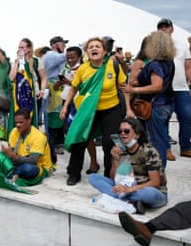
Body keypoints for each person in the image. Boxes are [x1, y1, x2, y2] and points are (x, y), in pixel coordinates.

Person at [60, 37, 133, 185]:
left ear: (104, 51)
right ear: (87, 52)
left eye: (97, 46)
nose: (94, 48)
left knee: (109, 143)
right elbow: (74, 88)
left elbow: (123, 87)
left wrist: (129, 109)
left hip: (111, 109)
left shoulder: (113, 65)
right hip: (89, 111)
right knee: (79, 140)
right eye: (91, 47)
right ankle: (73, 174)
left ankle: (108, 175)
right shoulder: (83, 69)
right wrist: (66, 106)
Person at [120, 31, 176, 169]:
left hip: (155, 105)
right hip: (167, 104)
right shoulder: (169, 62)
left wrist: (134, 90)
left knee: (156, 141)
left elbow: (157, 86)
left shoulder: (154, 64)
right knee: (161, 138)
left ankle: (157, 171)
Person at [89, 118, 167, 214]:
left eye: (126, 131)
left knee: (149, 194)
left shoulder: (148, 151)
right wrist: (116, 160)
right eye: (120, 131)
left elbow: (155, 182)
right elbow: (113, 178)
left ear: (137, 134)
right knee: (93, 178)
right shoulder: (119, 149)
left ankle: (118, 198)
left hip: (148, 189)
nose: (122, 134)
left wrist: (130, 189)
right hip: (126, 186)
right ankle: (129, 201)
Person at [157, 18, 191, 159]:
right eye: (161, 27)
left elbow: (188, 67)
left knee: (187, 117)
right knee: (164, 119)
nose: (164, 29)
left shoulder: (181, 45)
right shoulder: (153, 46)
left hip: (181, 89)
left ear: (172, 29)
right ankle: (166, 148)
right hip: (163, 89)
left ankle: (185, 147)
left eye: (166, 27)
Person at [59, 46, 100, 174]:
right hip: (67, 103)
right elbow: (57, 88)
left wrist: (69, 82)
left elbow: (81, 87)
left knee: (86, 136)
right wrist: (60, 82)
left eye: (73, 57)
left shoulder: (85, 69)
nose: (70, 60)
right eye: (68, 58)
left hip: (82, 105)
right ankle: (74, 165)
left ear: (80, 57)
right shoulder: (65, 69)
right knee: (71, 134)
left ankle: (93, 162)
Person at [1, 108, 53, 183]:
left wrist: (13, 156)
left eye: (21, 122)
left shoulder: (38, 136)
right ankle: (15, 174)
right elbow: (12, 152)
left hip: (37, 166)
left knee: (27, 169)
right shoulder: (14, 131)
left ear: (29, 121)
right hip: (18, 163)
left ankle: (12, 175)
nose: (18, 125)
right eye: (16, 122)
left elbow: (32, 161)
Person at [8, 38, 47, 130]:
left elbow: (44, 78)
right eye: (19, 47)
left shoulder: (36, 61)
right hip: (18, 96)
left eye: (22, 47)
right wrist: (17, 61)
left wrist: (42, 90)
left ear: (29, 48)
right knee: (18, 120)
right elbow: (11, 78)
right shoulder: (15, 62)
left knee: (31, 118)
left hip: (33, 95)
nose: (19, 49)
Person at [43, 36, 68, 154]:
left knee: (60, 114)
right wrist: (82, 48)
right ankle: (54, 143)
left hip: (59, 87)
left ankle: (59, 141)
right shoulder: (50, 55)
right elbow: (67, 56)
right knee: (53, 115)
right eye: (63, 44)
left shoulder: (56, 56)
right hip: (53, 87)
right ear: (55, 45)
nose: (65, 47)